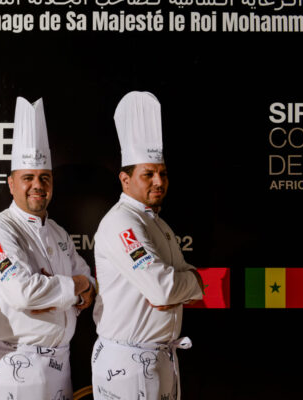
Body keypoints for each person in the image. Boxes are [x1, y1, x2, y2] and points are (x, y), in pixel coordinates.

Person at [0, 97, 95, 400]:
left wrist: (64, 289)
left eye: (44, 178)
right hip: (17, 369)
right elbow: (24, 293)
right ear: (11, 183)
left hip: (60, 367)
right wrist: (74, 287)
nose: (37, 185)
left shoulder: (58, 232)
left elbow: (88, 281)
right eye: (28, 178)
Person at [91, 91, 204, 400]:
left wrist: (188, 284)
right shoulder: (122, 222)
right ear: (125, 179)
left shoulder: (159, 224)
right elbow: (163, 290)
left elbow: (180, 285)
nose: (158, 181)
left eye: (162, 173)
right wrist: (189, 283)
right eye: (148, 174)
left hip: (159, 359)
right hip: (127, 367)